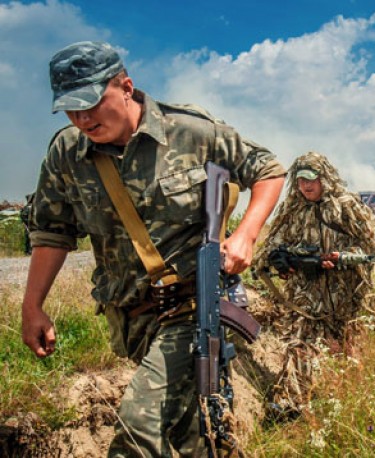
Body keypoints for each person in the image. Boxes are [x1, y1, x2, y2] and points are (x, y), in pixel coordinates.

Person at [21, 41, 285, 457]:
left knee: (139, 429)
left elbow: (267, 169)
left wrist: (246, 234)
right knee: (189, 434)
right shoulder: (66, 154)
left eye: (92, 103)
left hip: (192, 309)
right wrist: (32, 306)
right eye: (70, 108)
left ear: (125, 86)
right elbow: (52, 232)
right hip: (133, 319)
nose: (82, 118)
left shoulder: (191, 132)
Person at [254, 152, 375, 417]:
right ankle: (291, 403)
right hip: (305, 293)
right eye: (300, 181)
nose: (305, 186)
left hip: (344, 292)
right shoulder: (293, 208)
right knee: (299, 341)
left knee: (345, 345)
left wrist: (341, 258)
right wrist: (281, 258)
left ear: (324, 177)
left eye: (310, 180)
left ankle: (350, 401)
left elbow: (371, 245)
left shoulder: (346, 205)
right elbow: (272, 244)